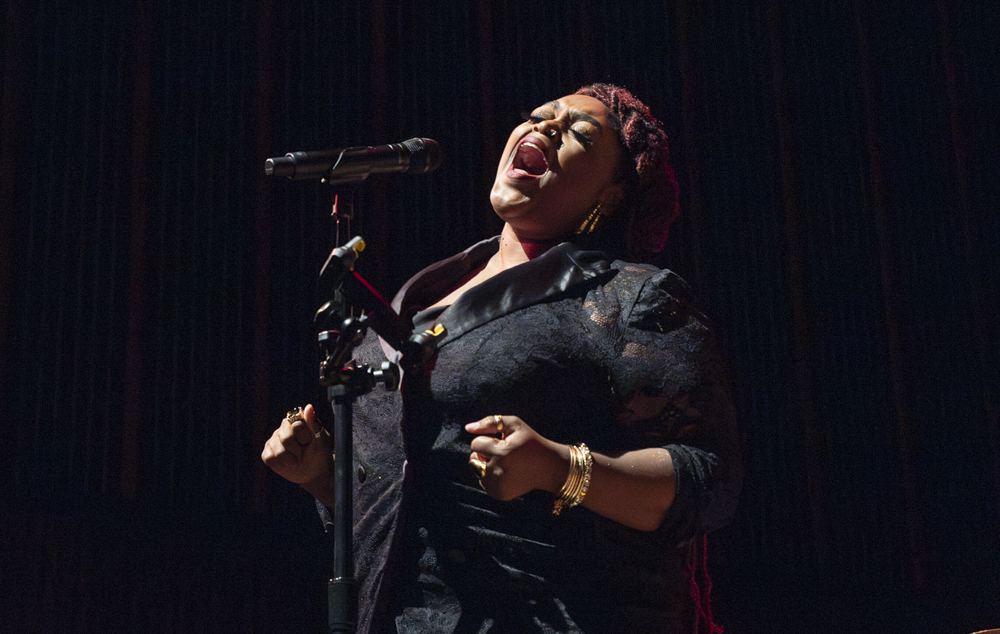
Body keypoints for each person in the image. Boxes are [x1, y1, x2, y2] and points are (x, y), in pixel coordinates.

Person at [261, 84, 742, 634]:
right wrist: (324, 477)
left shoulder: (629, 297)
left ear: (611, 194)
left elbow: (708, 479)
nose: (546, 126)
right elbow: (407, 497)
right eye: (538, 115)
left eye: (579, 132)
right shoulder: (422, 295)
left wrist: (560, 467)